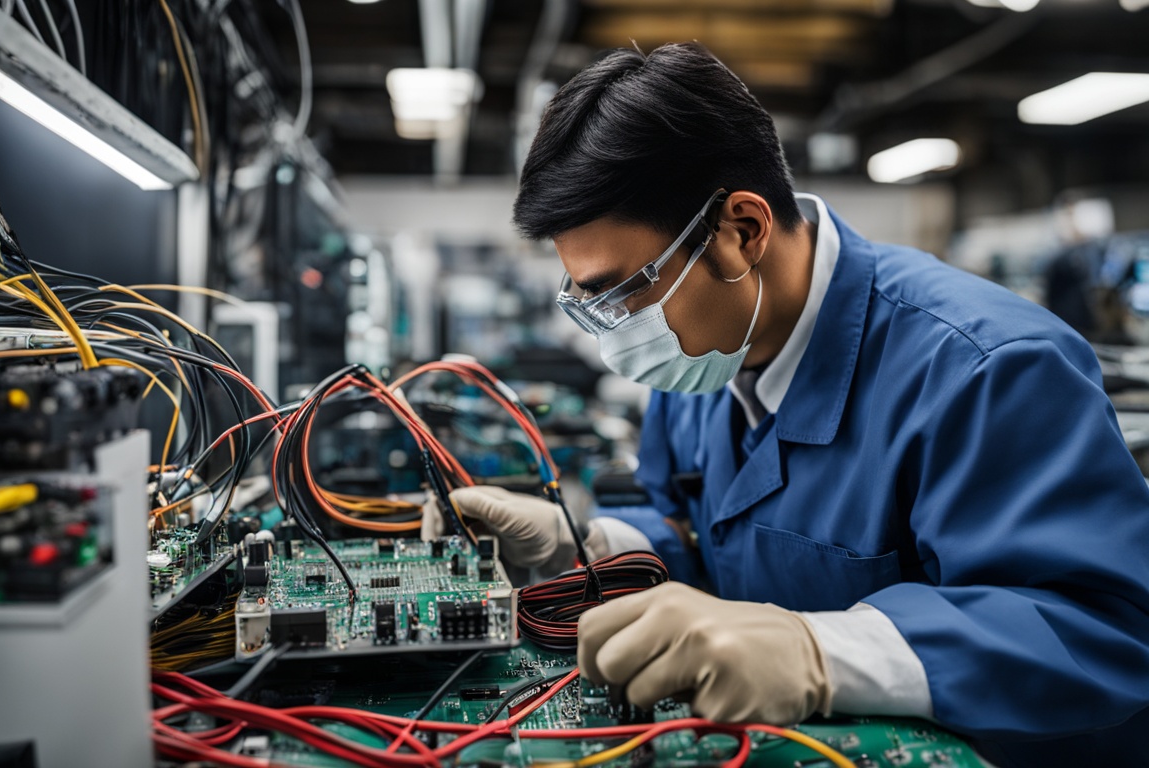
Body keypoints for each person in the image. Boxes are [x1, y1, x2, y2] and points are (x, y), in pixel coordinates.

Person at [448, 42, 1149, 766]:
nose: (615, 335)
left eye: (625, 292)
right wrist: (591, 548)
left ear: (742, 231)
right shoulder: (704, 360)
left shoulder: (986, 369)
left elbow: (1105, 629)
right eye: (588, 302)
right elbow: (699, 532)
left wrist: (819, 651)